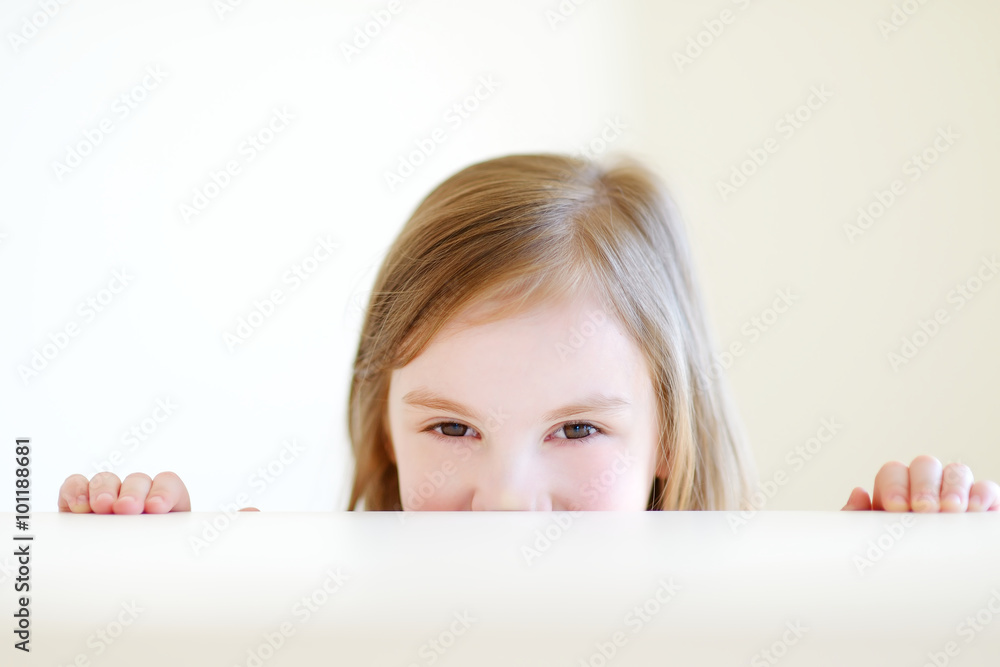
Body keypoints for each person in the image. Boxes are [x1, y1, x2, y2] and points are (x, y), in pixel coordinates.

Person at [57, 153, 999, 515]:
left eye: (578, 429)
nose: (508, 505)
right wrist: (171, 604)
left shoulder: (754, 623)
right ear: (383, 425)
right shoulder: (325, 615)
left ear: (670, 433)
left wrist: (885, 594)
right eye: (451, 427)